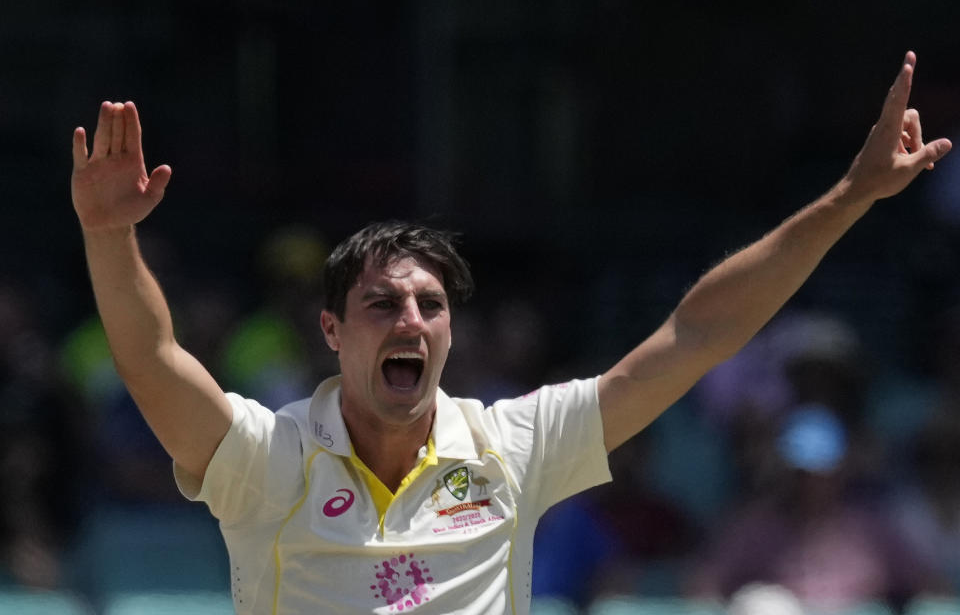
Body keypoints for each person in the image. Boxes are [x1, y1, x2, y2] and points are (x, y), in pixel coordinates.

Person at [70, 51, 951, 614]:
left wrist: (848, 201)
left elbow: (698, 333)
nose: (411, 320)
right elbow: (151, 360)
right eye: (382, 305)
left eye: (431, 305)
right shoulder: (267, 457)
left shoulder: (514, 446)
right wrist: (110, 236)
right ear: (332, 332)